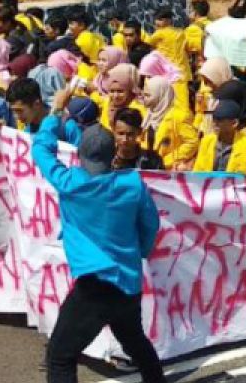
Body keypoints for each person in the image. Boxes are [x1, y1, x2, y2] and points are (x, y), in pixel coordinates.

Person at [31, 114, 165, 383]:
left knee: (59, 356)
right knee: (136, 343)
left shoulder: (69, 182)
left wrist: (53, 117)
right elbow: (151, 225)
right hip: (128, 283)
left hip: (94, 288)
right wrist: (138, 252)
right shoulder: (132, 184)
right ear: (114, 151)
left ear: (79, 154)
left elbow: (40, 148)